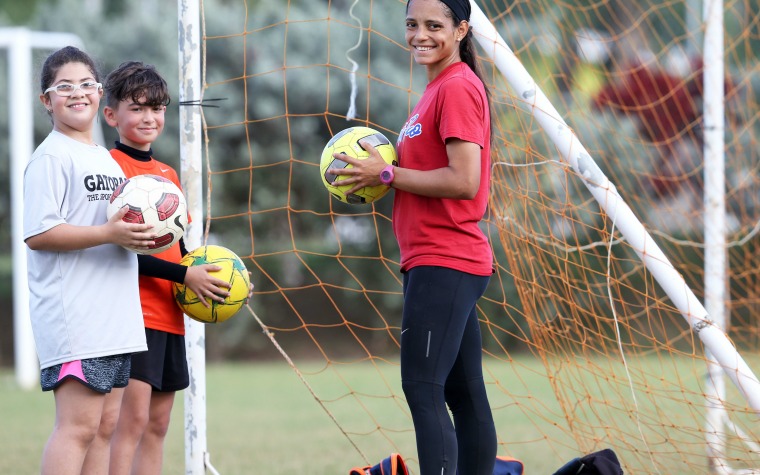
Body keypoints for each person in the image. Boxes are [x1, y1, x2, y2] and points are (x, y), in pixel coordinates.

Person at [328, 0, 496, 473]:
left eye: (434, 25)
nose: (420, 35)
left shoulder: (459, 87)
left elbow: (464, 181)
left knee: (424, 389)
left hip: (446, 258)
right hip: (440, 259)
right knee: (464, 394)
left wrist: (385, 174)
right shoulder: (437, 88)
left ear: (462, 29)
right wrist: (388, 173)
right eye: (412, 24)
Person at [23, 46, 153, 475]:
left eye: (86, 85)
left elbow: (117, 226)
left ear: (99, 93)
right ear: (47, 100)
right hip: (76, 318)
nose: (77, 94)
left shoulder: (104, 159)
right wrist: (109, 234)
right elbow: (39, 234)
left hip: (115, 316)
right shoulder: (51, 157)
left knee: (104, 428)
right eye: (64, 87)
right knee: (77, 428)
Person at [102, 60, 233, 475]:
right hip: (132, 317)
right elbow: (121, 250)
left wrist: (207, 273)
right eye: (137, 108)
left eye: (157, 108)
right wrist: (185, 276)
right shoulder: (109, 170)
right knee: (131, 422)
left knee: (158, 426)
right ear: (111, 115)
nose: (149, 117)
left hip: (171, 318)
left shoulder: (167, 175)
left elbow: (178, 248)